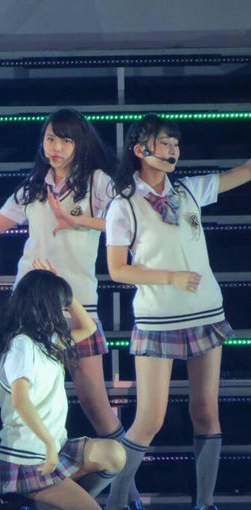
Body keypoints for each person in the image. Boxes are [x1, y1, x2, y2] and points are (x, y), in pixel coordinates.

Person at [104, 114, 251, 510]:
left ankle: (204, 503)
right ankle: (115, 503)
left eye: (175, 144)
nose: (173, 150)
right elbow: (117, 270)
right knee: (149, 419)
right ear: (141, 150)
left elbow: (243, 172)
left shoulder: (188, 190)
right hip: (158, 319)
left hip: (205, 313)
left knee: (206, 411)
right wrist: (169, 277)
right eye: (165, 143)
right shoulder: (123, 204)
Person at [0, 265, 126, 510]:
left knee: (114, 454)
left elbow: (88, 328)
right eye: (60, 307)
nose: (64, 313)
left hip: (53, 450)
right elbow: (21, 401)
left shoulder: (46, 342)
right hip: (30, 459)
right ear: (46, 307)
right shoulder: (22, 345)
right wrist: (49, 445)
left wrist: (65, 290)